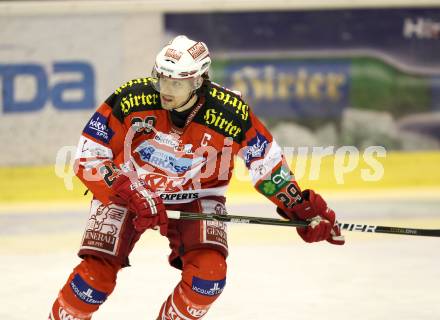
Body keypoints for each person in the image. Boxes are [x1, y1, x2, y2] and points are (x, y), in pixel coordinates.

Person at [49, 35, 345, 320]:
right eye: (162, 78)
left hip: (196, 196)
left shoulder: (231, 114)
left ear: (198, 80)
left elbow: (267, 165)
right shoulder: (131, 98)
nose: (166, 88)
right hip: (126, 191)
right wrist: (129, 192)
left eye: (176, 82)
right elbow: (89, 156)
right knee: (93, 281)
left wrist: (302, 208)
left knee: (208, 277)